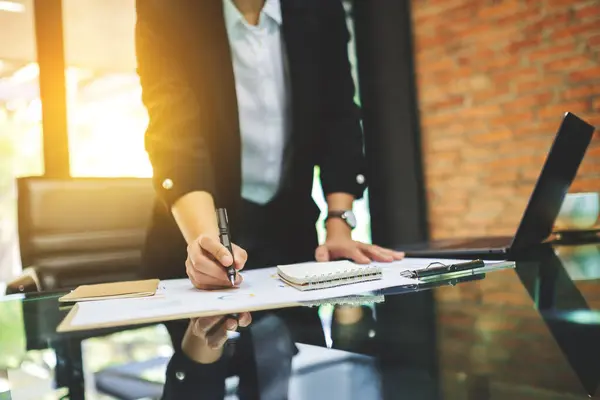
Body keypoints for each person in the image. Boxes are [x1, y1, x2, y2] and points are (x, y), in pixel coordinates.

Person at [135, 0, 403, 393]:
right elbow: (174, 132)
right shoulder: (167, 9)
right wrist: (207, 247)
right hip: (198, 233)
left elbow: (339, 116)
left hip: (290, 235)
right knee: (201, 377)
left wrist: (339, 222)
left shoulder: (320, 9)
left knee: (303, 376)